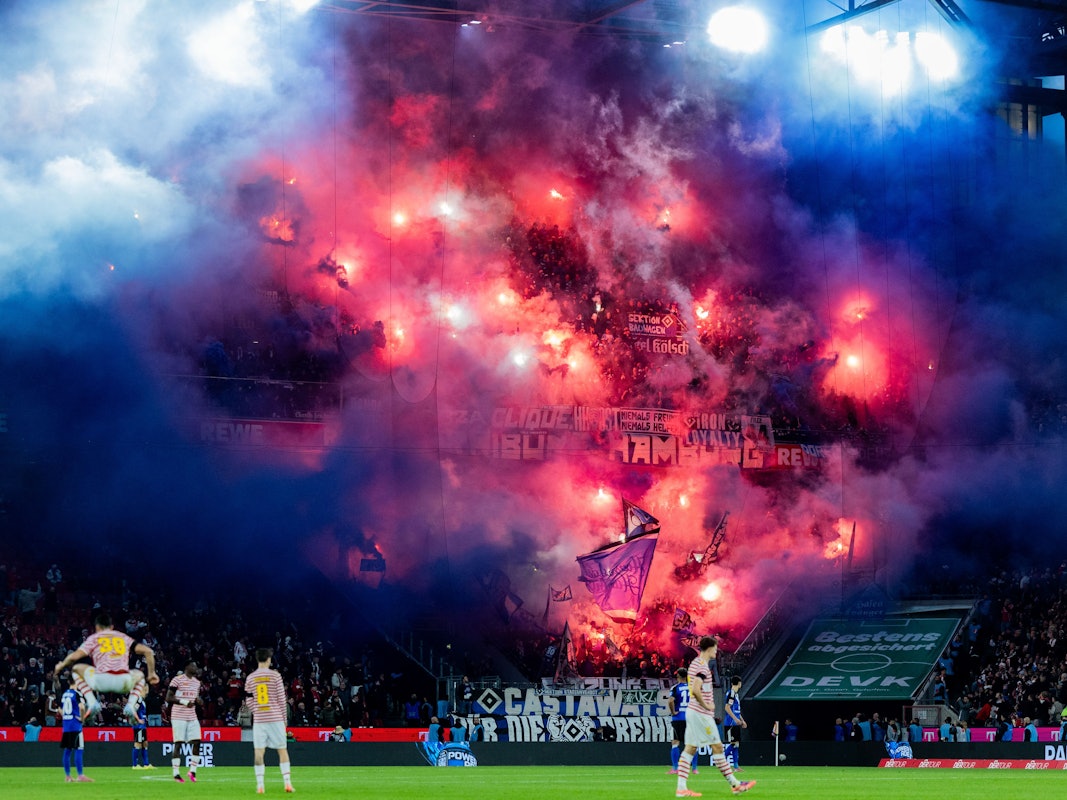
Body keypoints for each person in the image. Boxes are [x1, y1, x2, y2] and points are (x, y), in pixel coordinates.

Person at [673, 636, 755, 797]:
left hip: (693, 712)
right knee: (717, 747)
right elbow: (696, 689)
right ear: (709, 649)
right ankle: (735, 784)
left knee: (690, 748)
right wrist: (707, 705)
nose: (717, 652)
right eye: (716, 649)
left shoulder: (696, 664)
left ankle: (681, 788)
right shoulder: (702, 667)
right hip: (700, 714)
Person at [52, 612, 158, 722]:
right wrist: (152, 673)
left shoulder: (94, 638)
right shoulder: (123, 638)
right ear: (111, 627)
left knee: (76, 669)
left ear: (97, 628)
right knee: (140, 675)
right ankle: (131, 705)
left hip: (101, 680)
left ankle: (92, 702)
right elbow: (148, 651)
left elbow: (75, 656)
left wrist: (61, 665)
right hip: (121, 681)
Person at [245, 647, 294, 794]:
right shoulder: (275, 676)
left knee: (259, 751)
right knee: (282, 750)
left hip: (260, 720)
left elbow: (248, 700)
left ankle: (260, 785)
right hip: (275, 718)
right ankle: (287, 783)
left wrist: (257, 711)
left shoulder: (250, 678)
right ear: (269, 659)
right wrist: (284, 719)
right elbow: (281, 699)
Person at [166, 660, 203, 783]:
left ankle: (192, 771)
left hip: (192, 715)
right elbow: (168, 697)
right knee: (178, 743)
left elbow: (195, 697)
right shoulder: (177, 680)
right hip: (178, 716)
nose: (196, 668)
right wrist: (184, 702)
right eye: (194, 666)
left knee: (197, 742)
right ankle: (176, 773)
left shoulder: (197, 682)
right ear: (187, 667)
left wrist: (198, 700)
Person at [60, 672, 93, 783]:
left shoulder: (65, 694)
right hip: (75, 725)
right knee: (79, 748)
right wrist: (82, 719)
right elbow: (82, 707)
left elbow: (60, 709)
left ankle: (68, 776)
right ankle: (80, 775)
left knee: (67, 750)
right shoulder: (77, 694)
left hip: (66, 725)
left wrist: (66, 717)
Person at [722, 676, 747, 770]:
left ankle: (736, 766)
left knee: (736, 744)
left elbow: (736, 710)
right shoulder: (731, 694)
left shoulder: (735, 694)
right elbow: (727, 708)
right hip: (731, 722)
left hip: (735, 722)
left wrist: (742, 720)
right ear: (739, 683)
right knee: (734, 743)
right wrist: (735, 719)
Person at [668, 668, 688, 774]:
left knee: (675, 742)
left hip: (678, 718)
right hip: (689, 718)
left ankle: (675, 768)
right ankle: (692, 767)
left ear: (678, 676)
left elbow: (671, 701)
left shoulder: (675, 688)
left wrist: (673, 712)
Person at [131, 696, 154, 769]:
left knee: (145, 744)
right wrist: (138, 720)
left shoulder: (142, 700)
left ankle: (146, 764)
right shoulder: (138, 700)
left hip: (143, 726)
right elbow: (133, 710)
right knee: (138, 744)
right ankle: (135, 765)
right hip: (139, 726)